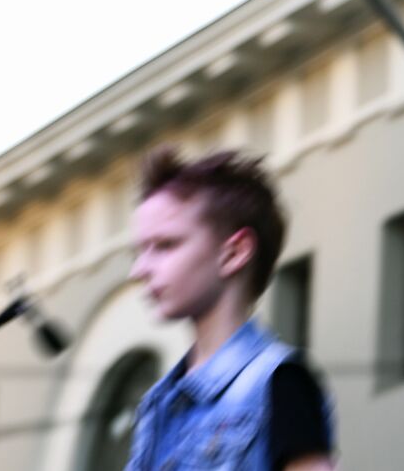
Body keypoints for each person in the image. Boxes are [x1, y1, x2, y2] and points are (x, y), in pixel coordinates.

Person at [126, 146, 334, 471]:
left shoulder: (280, 383)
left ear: (234, 253)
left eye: (165, 245)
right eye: (140, 251)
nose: (139, 270)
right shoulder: (157, 405)